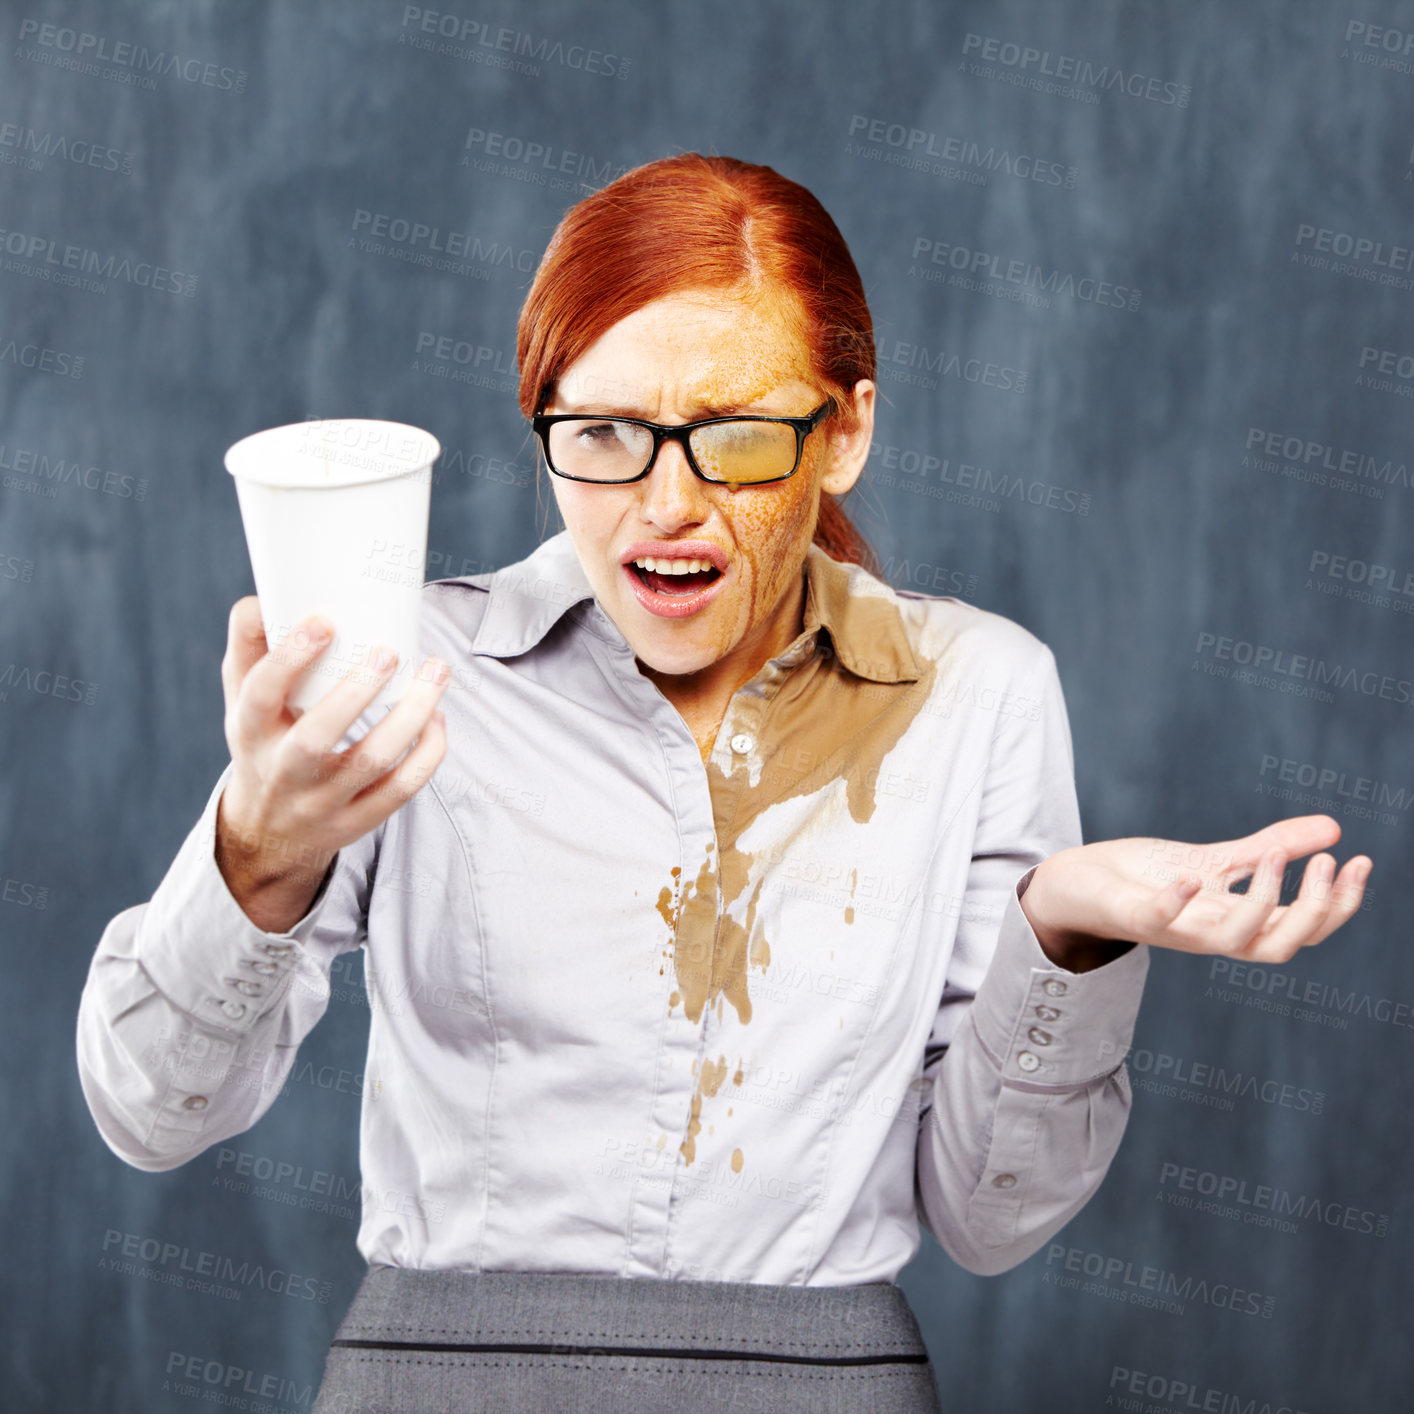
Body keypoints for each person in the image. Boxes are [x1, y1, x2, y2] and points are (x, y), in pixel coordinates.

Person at [76, 153, 1371, 1414]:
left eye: (738, 437)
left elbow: (988, 1216)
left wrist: (1065, 929)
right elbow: (148, 1109)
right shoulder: (409, 672)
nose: (666, 502)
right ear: (544, 434)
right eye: (603, 435)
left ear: (844, 430)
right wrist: (257, 853)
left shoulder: (979, 690)